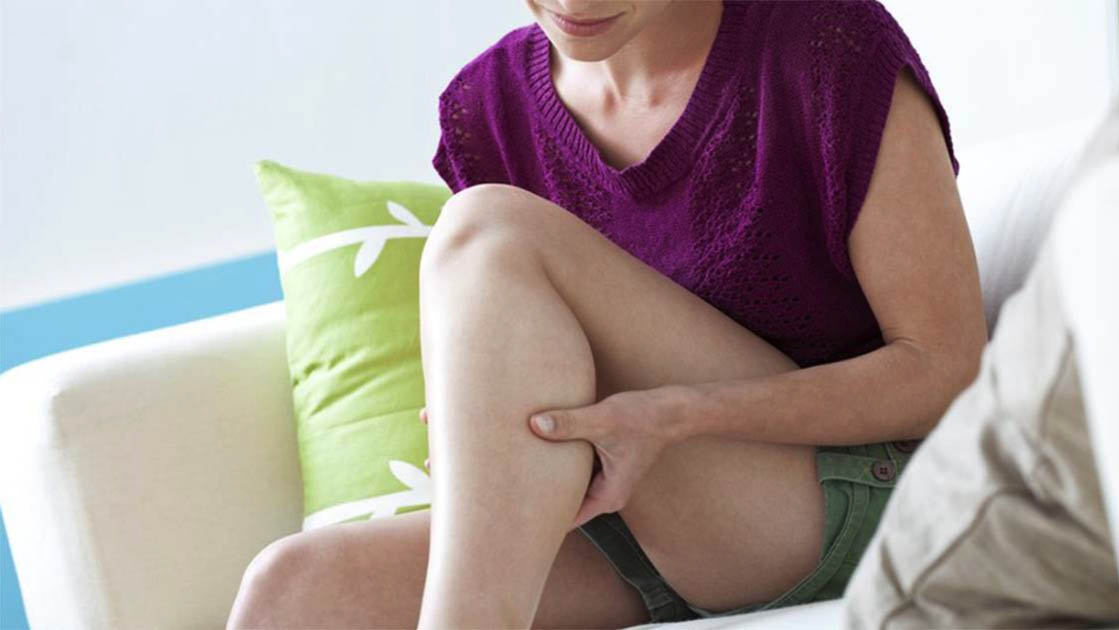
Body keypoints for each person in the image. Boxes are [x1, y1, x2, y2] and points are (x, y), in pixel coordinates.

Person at [226, 1, 986, 628]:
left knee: (488, 228)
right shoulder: (487, 105)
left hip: (851, 495)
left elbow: (944, 368)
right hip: (637, 524)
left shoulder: (826, 42)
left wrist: (677, 416)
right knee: (290, 590)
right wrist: (488, 435)